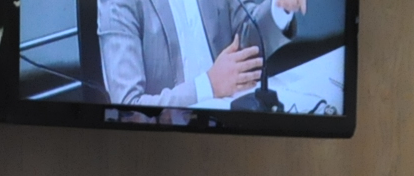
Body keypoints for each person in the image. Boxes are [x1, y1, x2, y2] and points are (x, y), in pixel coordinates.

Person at [99, 0, 306, 108]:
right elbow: (128, 106)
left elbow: (248, 36)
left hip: (233, 116)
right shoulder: (117, 3)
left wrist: (280, 8)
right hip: (167, 141)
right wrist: (209, 86)